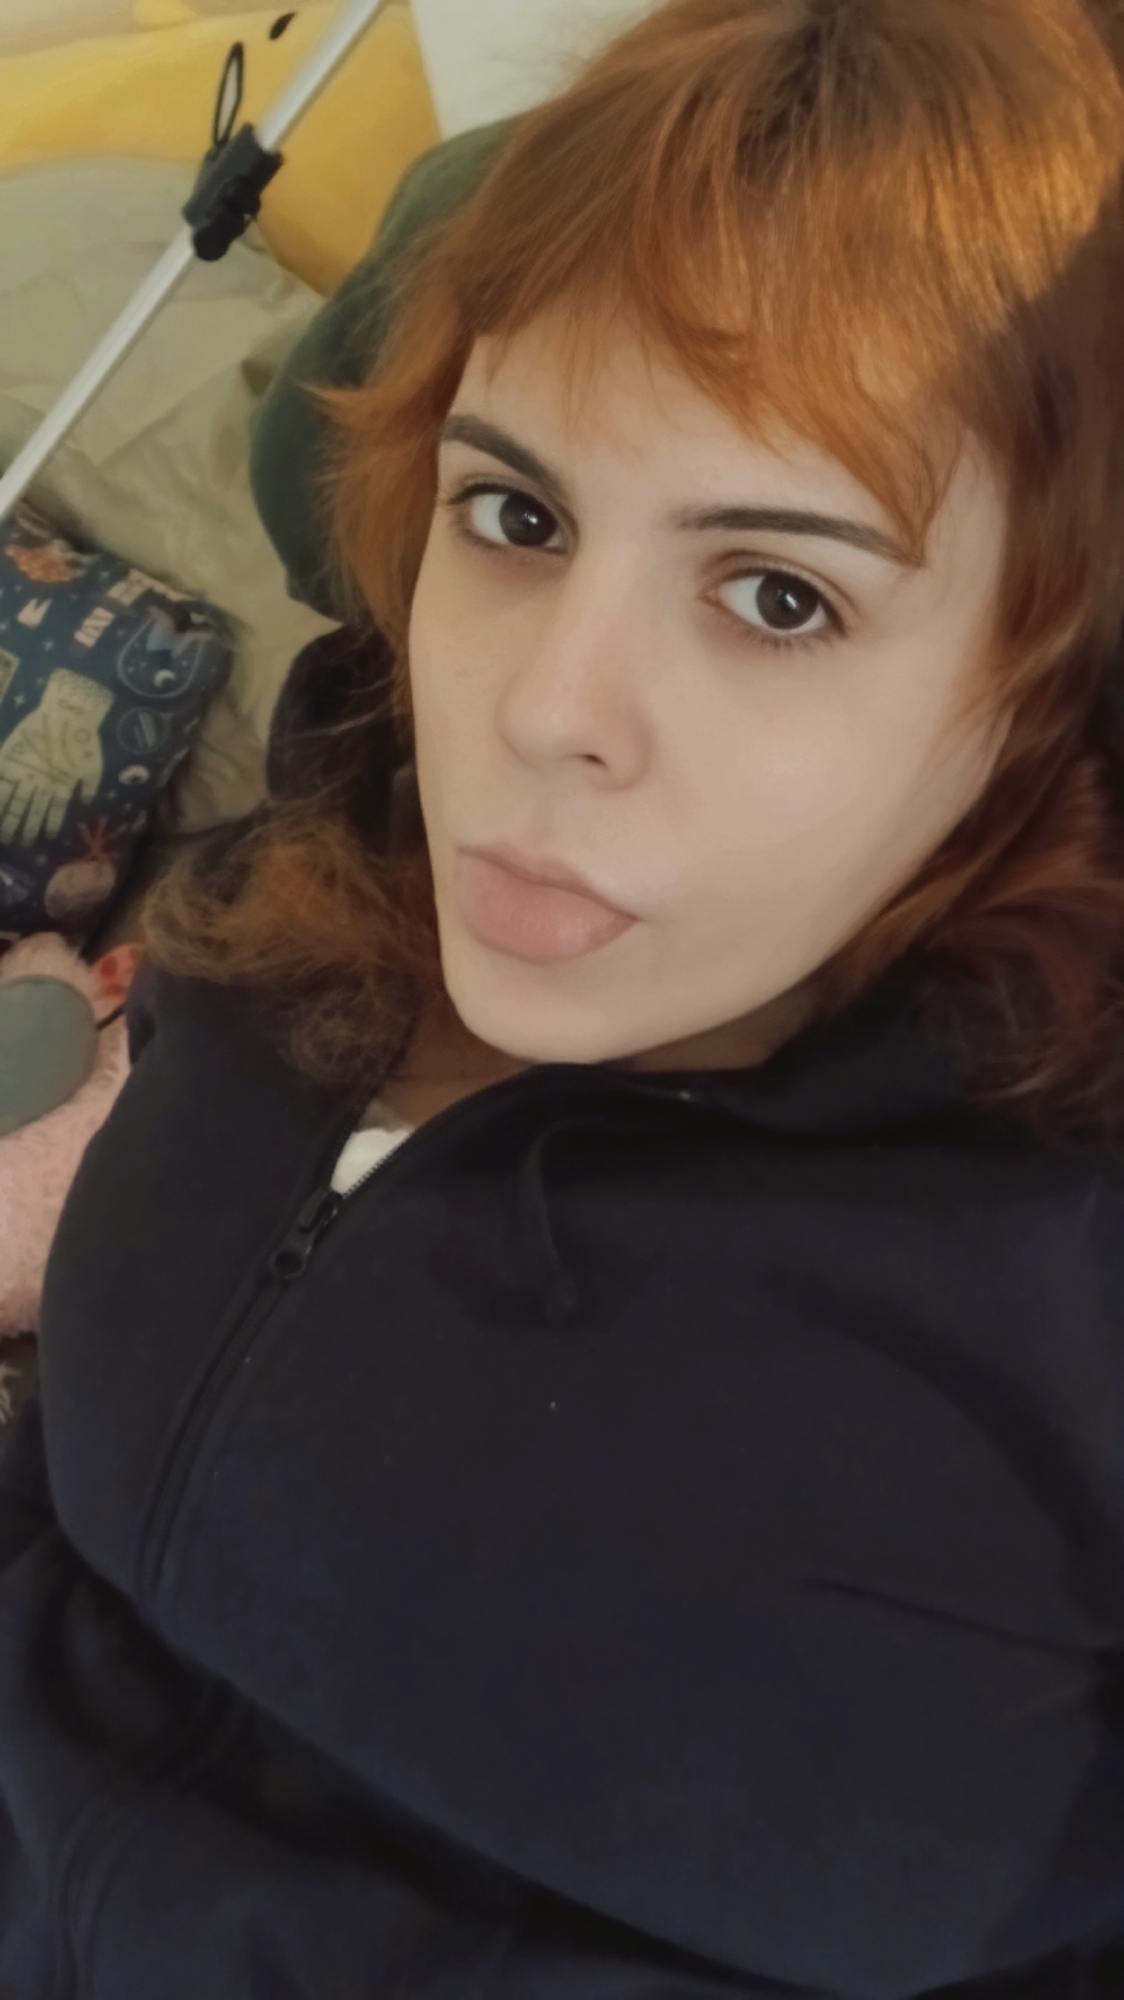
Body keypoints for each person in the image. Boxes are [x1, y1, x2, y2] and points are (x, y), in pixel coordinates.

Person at [4, 0, 1124, 1992]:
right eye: (515, 515)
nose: (538, 711)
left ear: (1039, 705)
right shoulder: (303, 891)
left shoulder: (1057, 1309)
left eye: (778, 594)